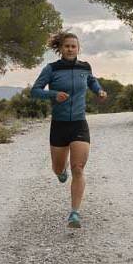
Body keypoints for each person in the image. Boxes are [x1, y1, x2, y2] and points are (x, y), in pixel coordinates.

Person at [30, 31, 107, 228]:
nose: (70, 49)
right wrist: (54, 95)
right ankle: (60, 171)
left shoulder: (84, 67)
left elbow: (91, 80)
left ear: (78, 48)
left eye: (74, 46)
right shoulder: (51, 69)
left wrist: (98, 90)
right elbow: (35, 91)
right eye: (67, 46)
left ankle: (74, 213)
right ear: (61, 49)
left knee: (78, 168)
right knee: (58, 167)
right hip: (59, 125)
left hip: (79, 123)